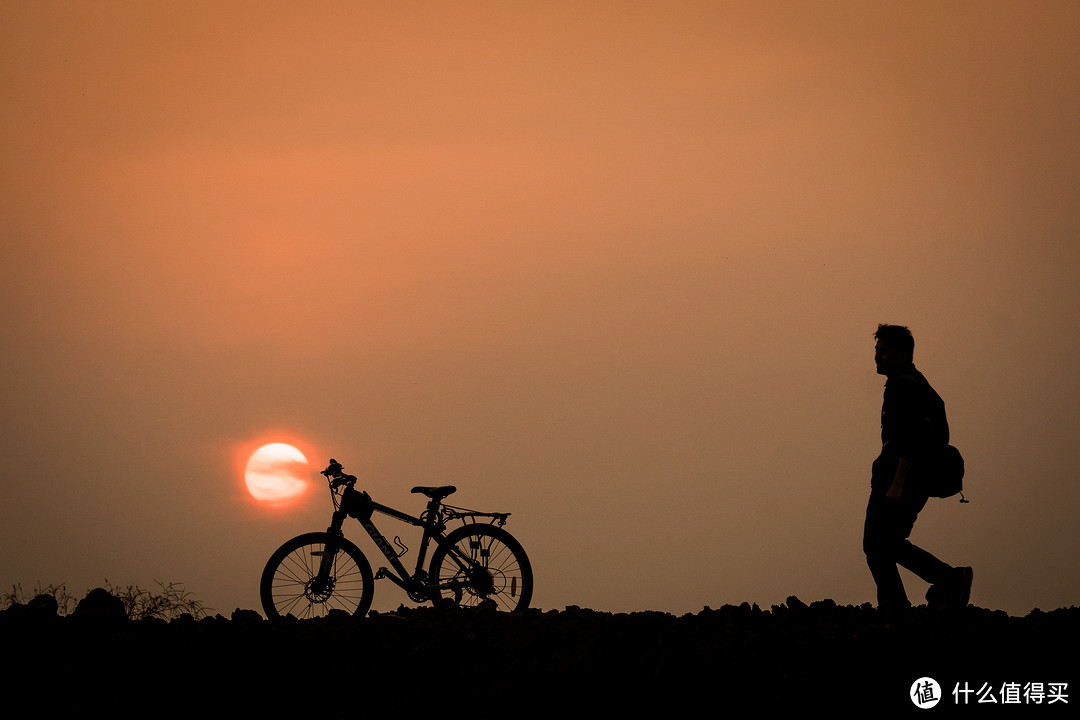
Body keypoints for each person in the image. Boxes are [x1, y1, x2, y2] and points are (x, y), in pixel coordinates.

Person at [863, 324, 972, 610]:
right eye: (876, 351)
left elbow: (911, 438)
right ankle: (950, 579)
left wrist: (897, 483)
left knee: (877, 545)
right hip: (912, 477)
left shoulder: (904, 386)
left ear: (903, 354)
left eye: (883, 352)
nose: (877, 357)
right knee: (890, 543)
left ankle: (895, 605)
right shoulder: (914, 382)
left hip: (901, 477)